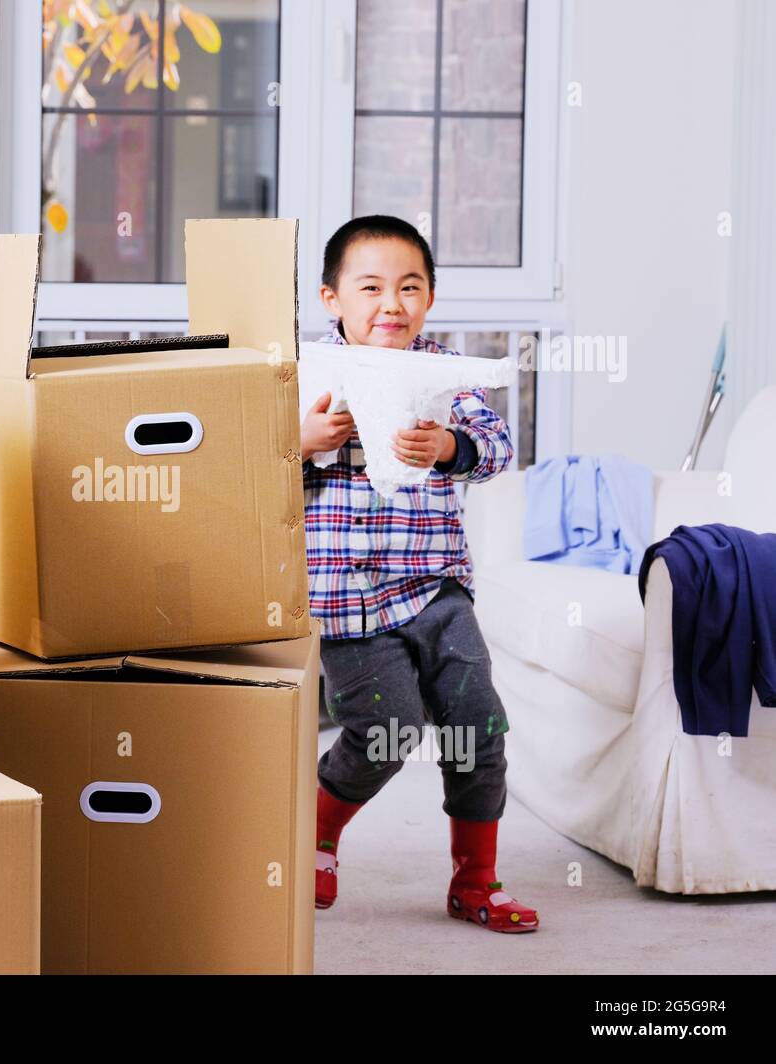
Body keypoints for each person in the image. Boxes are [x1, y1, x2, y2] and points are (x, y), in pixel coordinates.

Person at [304, 214, 538, 932]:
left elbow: (496, 448)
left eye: (410, 287)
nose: (391, 305)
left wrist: (449, 447)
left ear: (430, 298)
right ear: (330, 298)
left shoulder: (440, 373)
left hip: (437, 592)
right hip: (348, 599)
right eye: (370, 287)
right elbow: (240, 454)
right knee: (389, 727)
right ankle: (314, 833)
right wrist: (299, 437)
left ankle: (476, 880)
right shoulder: (310, 373)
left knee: (477, 725)